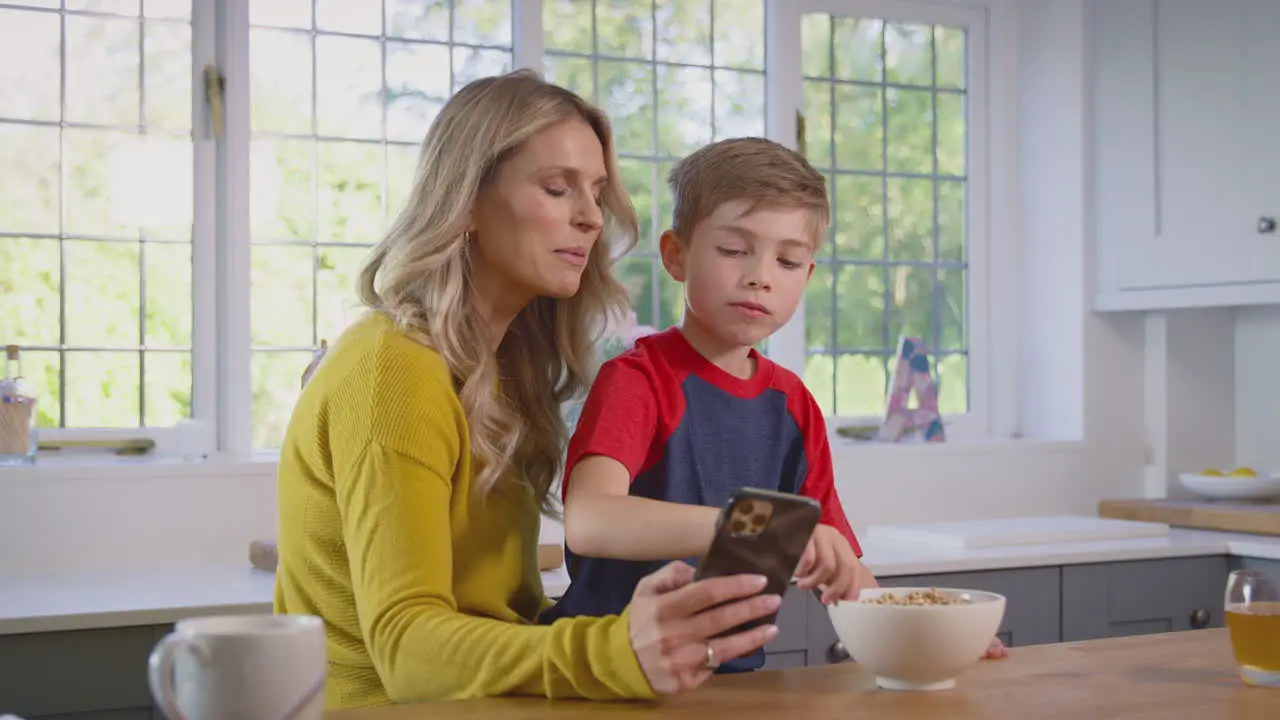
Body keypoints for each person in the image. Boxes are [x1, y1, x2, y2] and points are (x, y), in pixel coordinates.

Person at [272, 70, 783, 710]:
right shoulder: (392, 369)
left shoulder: (502, 371)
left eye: (596, 193)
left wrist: (624, 627)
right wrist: (613, 650)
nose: (591, 217)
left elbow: (491, 616)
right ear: (467, 201)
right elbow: (406, 653)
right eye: (556, 188)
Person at [544, 138, 1008, 669]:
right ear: (675, 255)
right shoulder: (637, 380)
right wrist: (757, 525)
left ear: (806, 276)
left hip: (731, 681)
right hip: (606, 674)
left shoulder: (792, 405)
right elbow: (590, 520)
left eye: (787, 260)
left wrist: (920, 636)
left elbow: (837, 562)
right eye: (734, 250)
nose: (760, 276)